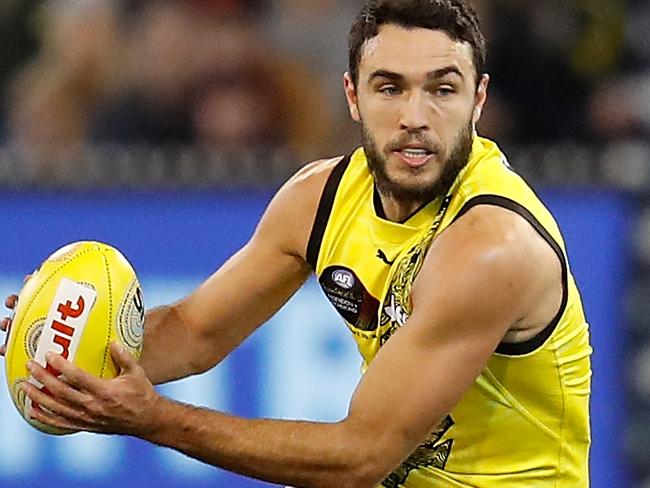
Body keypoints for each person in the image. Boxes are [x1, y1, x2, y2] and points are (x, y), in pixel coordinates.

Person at [1, 1, 591, 486]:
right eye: (390, 88)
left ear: (478, 100)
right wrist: (68, 345)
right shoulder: (320, 198)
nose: (416, 115)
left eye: (442, 90)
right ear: (353, 96)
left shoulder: (491, 245)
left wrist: (153, 419)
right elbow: (194, 332)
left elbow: (359, 457)